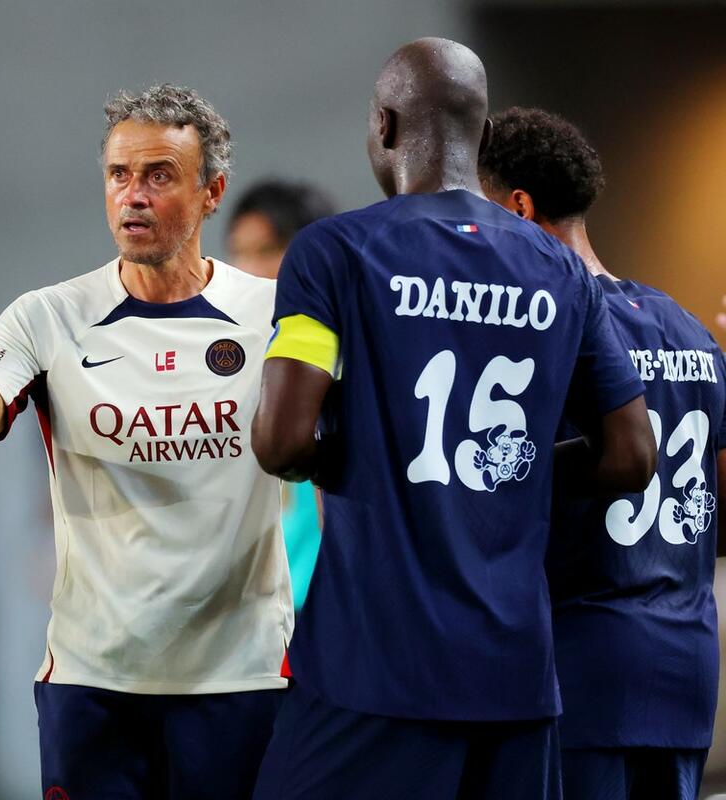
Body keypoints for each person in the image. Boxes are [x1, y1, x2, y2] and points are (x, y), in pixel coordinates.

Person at [250, 38, 656, 799]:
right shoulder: (561, 270)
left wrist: (378, 452)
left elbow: (281, 442)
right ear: (486, 133)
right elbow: (632, 454)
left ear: (385, 124)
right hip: (517, 678)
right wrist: (514, 468)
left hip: (375, 671)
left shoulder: (335, 251)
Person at [0, 83, 292, 798]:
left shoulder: (274, 314)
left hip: (242, 679)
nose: (133, 195)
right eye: (118, 175)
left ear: (212, 193)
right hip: (95, 684)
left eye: (159, 176)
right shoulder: (48, 318)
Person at [480, 106, 726, 800]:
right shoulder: (687, 327)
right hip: (686, 667)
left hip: (583, 667)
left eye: (479, 209)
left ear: (519, 207)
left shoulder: (545, 330)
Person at [227, 179, 334, 614]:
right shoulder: (228, 364)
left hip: (323, 606)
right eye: (240, 253)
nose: (249, 269)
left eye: (268, 250)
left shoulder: (343, 357)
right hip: (255, 615)